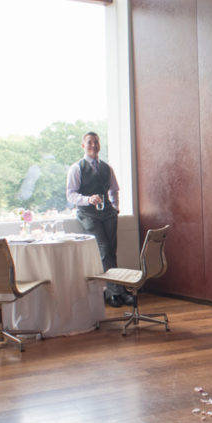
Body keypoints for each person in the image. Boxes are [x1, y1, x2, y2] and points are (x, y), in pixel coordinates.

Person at [66, 131, 132, 307]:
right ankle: (115, 293)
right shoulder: (77, 168)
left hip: (108, 213)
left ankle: (116, 291)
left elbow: (114, 189)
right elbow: (70, 194)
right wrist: (88, 199)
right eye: (90, 142)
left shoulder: (106, 168)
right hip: (88, 214)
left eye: (96, 142)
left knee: (112, 250)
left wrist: (115, 207)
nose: (93, 145)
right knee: (104, 250)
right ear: (83, 146)